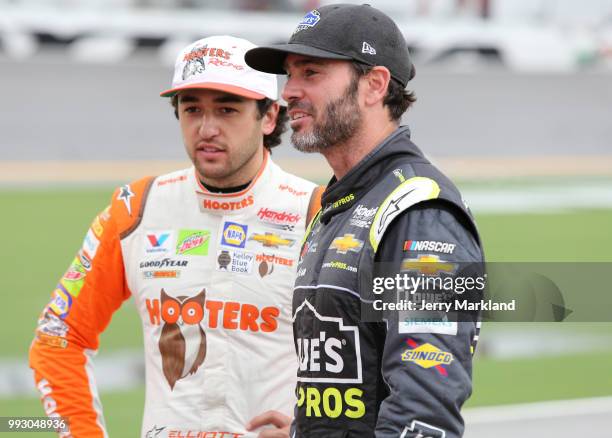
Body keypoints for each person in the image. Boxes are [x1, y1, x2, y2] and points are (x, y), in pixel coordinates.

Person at [29, 35, 323, 438]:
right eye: (192, 109)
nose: (207, 128)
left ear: (269, 116)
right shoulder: (135, 210)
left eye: (227, 110)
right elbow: (58, 335)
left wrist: (323, 432)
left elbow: (388, 350)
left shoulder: (318, 211)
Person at [245, 4, 484, 438]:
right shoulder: (340, 205)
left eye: (311, 73)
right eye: (289, 74)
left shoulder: (418, 211)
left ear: (374, 85)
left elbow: (424, 411)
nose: (288, 92)